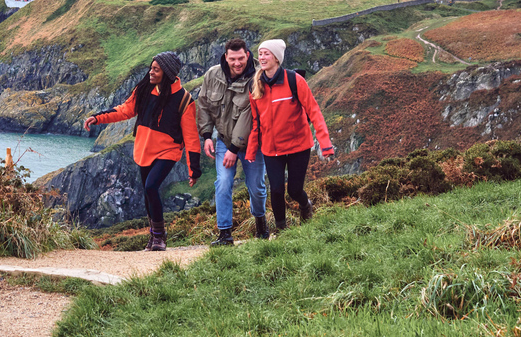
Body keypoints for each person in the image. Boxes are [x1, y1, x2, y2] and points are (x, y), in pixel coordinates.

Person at [84, 51, 201, 251]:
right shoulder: (144, 90)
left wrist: (193, 169)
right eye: (151, 68)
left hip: (168, 151)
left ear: (168, 73)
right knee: (148, 193)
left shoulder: (184, 100)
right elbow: (124, 110)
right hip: (144, 149)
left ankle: (159, 237)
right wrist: (98, 118)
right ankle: (154, 235)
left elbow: (190, 137)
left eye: (156, 69)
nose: (151, 73)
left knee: (151, 187)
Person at [245, 39, 334, 231]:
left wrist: (325, 144)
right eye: (260, 54)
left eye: (266, 53)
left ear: (277, 58)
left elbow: (314, 112)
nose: (262, 57)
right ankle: (282, 232)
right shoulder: (255, 87)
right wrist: (251, 151)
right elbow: (256, 123)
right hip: (271, 149)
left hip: (298, 146)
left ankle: (305, 205)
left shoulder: (294, 80)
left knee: (294, 190)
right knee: (276, 190)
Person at [197, 38, 268, 245]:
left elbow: (249, 115)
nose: (237, 63)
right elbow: (203, 105)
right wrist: (206, 136)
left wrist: (234, 148)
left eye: (241, 58)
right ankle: (225, 235)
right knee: (223, 184)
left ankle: (261, 224)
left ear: (247, 55)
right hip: (223, 141)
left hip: (252, 144)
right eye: (232, 59)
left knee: (256, 186)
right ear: (225, 57)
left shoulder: (257, 78)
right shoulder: (212, 75)